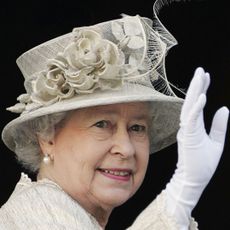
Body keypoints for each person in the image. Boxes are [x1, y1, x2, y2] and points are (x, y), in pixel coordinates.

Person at [0, 0, 229, 229]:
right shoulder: (35, 214)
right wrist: (181, 195)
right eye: (102, 124)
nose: (126, 148)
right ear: (47, 137)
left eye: (137, 127)